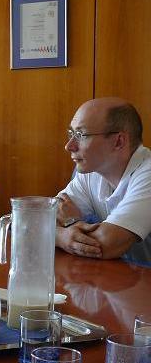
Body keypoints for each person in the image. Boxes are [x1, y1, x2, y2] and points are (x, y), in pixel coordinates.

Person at [55, 97, 151, 265]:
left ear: (119, 141)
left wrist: (71, 223)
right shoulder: (92, 170)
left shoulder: (148, 173)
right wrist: (60, 236)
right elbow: (34, 221)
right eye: (71, 134)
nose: (69, 146)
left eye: (81, 135)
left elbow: (106, 244)